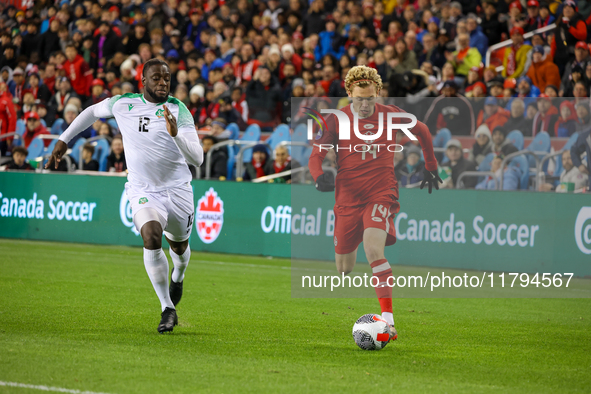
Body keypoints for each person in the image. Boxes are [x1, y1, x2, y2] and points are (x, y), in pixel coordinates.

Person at [46, 59, 204, 333]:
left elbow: (198, 158)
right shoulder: (124, 104)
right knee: (151, 236)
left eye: (166, 78)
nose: (163, 83)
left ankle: (178, 276)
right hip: (143, 190)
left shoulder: (178, 110)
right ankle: (167, 307)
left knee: (179, 249)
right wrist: (64, 138)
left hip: (178, 190)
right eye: (156, 78)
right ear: (143, 81)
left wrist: (176, 135)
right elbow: (92, 112)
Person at [309, 65, 440, 339]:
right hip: (347, 197)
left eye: (370, 98)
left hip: (381, 193)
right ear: (348, 94)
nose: (365, 104)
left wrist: (431, 165)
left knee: (373, 250)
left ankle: (389, 322)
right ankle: (355, 233)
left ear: (378, 93)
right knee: (344, 268)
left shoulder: (392, 115)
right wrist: (318, 176)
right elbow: (316, 154)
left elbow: (424, 131)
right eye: (359, 99)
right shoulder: (337, 120)